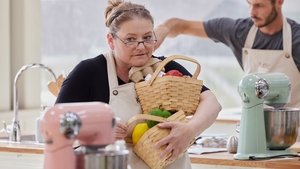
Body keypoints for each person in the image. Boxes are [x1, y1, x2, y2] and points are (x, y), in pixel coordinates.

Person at [56, 0, 221, 168]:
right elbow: (56, 125)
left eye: (147, 37)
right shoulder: (90, 72)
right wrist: (96, 132)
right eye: (131, 39)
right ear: (111, 40)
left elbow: (211, 102)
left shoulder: (165, 67)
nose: (141, 47)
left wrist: (190, 130)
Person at [154, 0, 300, 108]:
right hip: (254, 124)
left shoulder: (296, 38)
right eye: (249, 4)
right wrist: (158, 33)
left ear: (279, 2)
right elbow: (180, 25)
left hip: (293, 130)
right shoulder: (240, 32)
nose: (252, 12)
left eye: (259, 5)